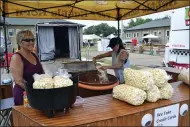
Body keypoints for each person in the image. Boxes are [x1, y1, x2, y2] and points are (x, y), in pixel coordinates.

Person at [10, 30, 44, 105]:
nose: (31, 42)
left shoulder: (34, 55)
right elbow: (19, 81)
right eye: (27, 40)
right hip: (24, 95)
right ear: (20, 42)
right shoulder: (17, 57)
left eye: (33, 40)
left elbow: (42, 74)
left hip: (38, 93)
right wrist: (33, 91)